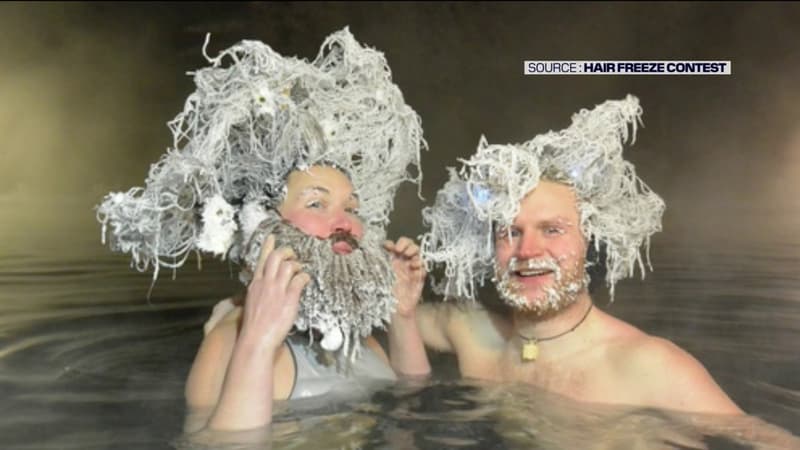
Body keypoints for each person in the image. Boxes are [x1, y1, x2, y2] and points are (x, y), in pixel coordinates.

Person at [96, 28, 429, 434]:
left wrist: (403, 317)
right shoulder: (230, 340)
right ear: (265, 224)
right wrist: (257, 341)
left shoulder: (362, 338)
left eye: (351, 208)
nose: (344, 222)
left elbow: (414, 409)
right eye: (316, 204)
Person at [395, 95, 743, 414]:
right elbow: (388, 316)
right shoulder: (474, 333)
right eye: (511, 233)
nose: (528, 251)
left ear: (590, 241)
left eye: (552, 230)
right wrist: (400, 305)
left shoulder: (650, 366)